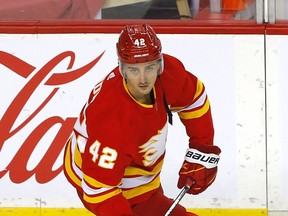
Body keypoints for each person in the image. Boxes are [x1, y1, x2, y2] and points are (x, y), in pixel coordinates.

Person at [63, 23, 221, 216]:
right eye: (134, 70)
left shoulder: (169, 75)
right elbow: (98, 190)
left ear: (159, 65)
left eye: (149, 67)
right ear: (122, 69)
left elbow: (195, 98)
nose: (143, 79)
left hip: (138, 171)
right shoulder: (113, 120)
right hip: (97, 177)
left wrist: (202, 148)